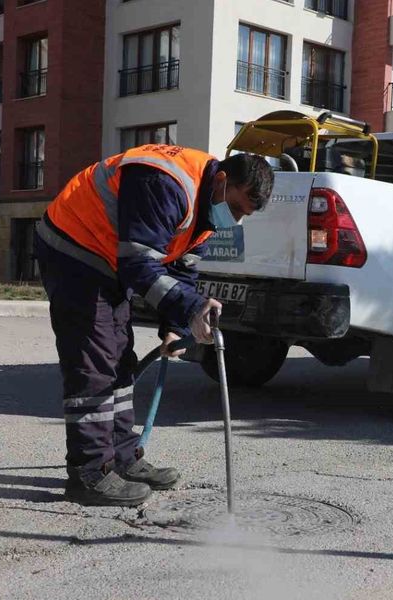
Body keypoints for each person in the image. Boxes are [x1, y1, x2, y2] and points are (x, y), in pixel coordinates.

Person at [34, 144, 274, 506]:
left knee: (119, 359)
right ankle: (90, 473)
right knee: (94, 363)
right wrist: (192, 308)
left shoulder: (206, 206)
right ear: (222, 180)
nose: (235, 219)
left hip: (106, 258)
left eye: (245, 215)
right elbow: (139, 264)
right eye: (236, 207)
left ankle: (122, 458)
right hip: (74, 248)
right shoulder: (165, 183)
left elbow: (181, 269)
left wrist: (174, 324)